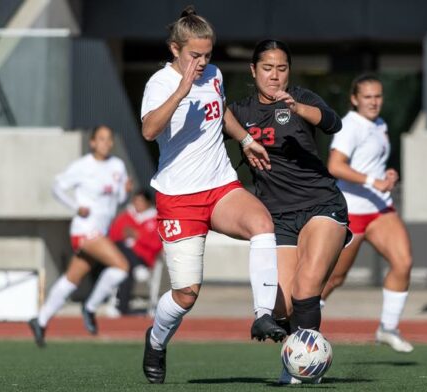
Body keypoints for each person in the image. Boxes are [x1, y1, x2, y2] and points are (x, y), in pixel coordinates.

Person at [139, 6, 285, 384]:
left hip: (219, 185)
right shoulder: (160, 82)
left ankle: (262, 315)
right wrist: (182, 90)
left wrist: (247, 139)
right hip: (179, 197)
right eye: (194, 55)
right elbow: (149, 130)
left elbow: (220, 113)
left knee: (261, 223)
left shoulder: (215, 75)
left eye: (207, 54)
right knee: (186, 295)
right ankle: (156, 340)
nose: (202, 62)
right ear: (176, 49)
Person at [228, 39, 348, 384]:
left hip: (320, 206)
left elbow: (331, 122)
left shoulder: (302, 99)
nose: (275, 75)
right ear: (253, 71)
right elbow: (216, 116)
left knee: (306, 287)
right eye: (267, 68)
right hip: (276, 217)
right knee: (281, 307)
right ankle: (298, 347)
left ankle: (301, 366)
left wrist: (297, 109)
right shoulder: (241, 111)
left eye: (281, 68)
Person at [321, 74, 414, 353]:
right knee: (335, 278)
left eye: (378, 96)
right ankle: (300, 323)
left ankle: (388, 327)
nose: (374, 102)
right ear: (354, 99)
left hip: (379, 207)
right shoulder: (350, 126)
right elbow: (335, 166)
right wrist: (374, 181)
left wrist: (387, 175)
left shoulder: (380, 124)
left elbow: (372, 163)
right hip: (351, 210)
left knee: (404, 262)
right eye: (368, 97)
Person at [27, 125, 130, 347]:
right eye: (101, 139)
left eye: (109, 139)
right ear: (92, 142)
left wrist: (126, 191)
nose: (106, 143)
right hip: (85, 229)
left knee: (72, 278)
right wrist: (76, 206)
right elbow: (57, 187)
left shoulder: (118, 165)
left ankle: (40, 319)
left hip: (101, 231)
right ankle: (90, 307)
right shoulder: (83, 165)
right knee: (121, 267)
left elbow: (118, 199)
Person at [107, 189, 162, 315]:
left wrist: (138, 235)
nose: (138, 205)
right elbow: (113, 236)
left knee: (126, 265)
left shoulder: (155, 219)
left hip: (144, 257)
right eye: (136, 201)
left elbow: (157, 244)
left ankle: (121, 308)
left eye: (141, 202)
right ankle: (122, 308)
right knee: (122, 254)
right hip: (123, 256)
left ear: (148, 203)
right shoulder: (126, 216)